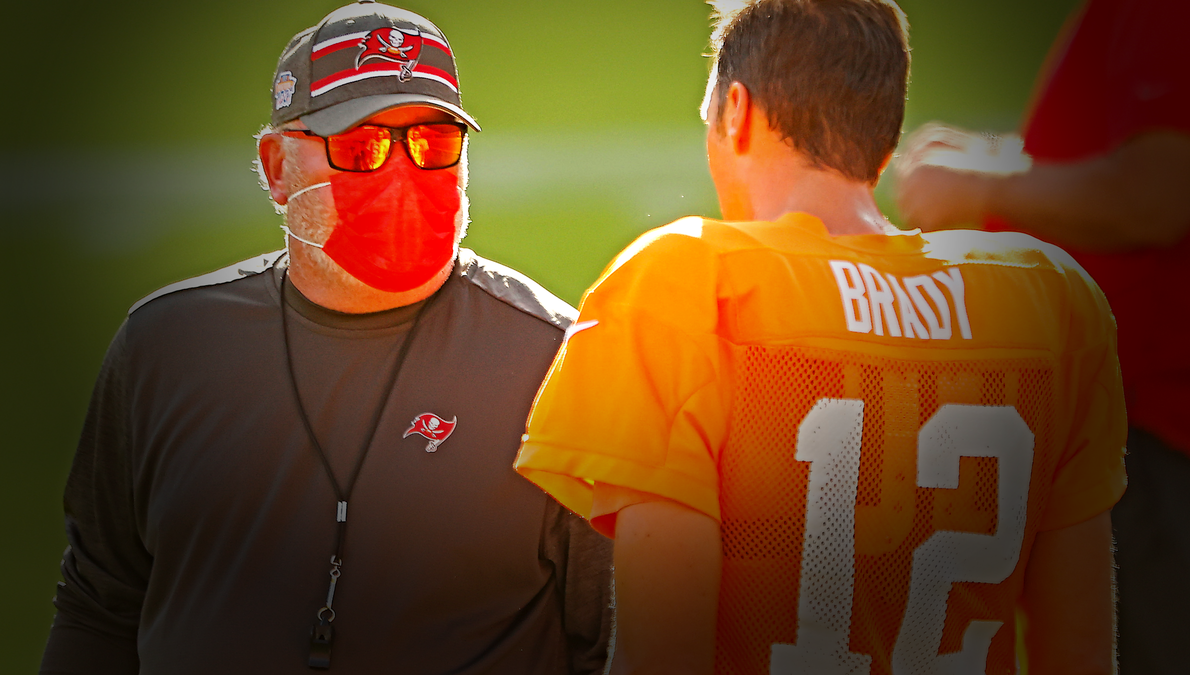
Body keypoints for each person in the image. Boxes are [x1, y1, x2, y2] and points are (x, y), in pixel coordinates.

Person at [514, 0, 1125, 673]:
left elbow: (662, 657)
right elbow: (1081, 653)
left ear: (736, 112)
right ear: (884, 141)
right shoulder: (1048, 302)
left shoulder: (686, 287)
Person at [40, 1, 612, 673]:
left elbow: (615, 644)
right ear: (277, 167)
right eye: (361, 147)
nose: (402, 174)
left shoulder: (556, 358)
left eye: (432, 143)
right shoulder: (164, 347)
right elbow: (99, 606)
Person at [893, 0, 1190, 670]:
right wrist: (996, 159)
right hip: (1129, 419)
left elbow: (1158, 194)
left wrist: (982, 186)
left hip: (1158, 430)